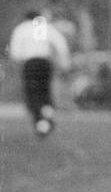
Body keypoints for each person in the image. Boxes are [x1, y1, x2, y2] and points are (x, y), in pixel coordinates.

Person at [8, 9, 72, 137]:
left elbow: (15, 52)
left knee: (32, 93)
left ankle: (41, 122)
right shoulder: (45, 27)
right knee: (44, 90)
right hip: (44, 63)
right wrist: (65, 64)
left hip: (30, 64)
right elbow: (61, 45)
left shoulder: (21, 28)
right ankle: (48, 111)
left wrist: (19, 60)